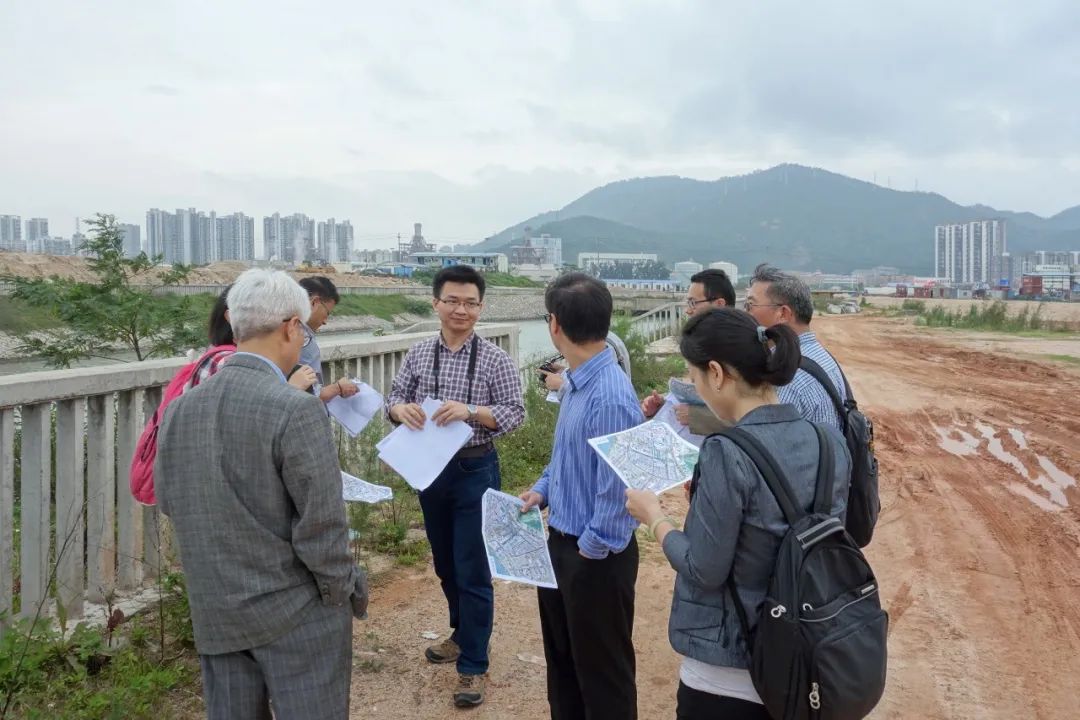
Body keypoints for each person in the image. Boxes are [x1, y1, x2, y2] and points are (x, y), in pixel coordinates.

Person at [155, 269, 368, 720]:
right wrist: (340, 591)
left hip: (216, 610)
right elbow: (322, 524)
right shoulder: (295, 408)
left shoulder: (178, 409)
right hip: (295, 612)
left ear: (235, 321)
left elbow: (172, 501)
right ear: (293, 327)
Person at [624, 308, 851, 720]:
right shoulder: (829, 440)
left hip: (730, 672)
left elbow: (704, 568)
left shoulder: (727, 452)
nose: (697, 389)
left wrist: (655, 517)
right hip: (806, 654)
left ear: (715, 373)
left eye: (693, 379)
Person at [385, 264, 525, 708]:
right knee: (445, 561)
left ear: (481, 308)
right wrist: (399, 412)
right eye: (452, 301)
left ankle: (473, 666)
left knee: (473, 569)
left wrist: (472, 411)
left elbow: (514, 413)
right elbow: (393, 399)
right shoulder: (419, 353)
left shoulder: (495, 359)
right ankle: (461, 634)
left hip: (474, 471)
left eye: (469, 302)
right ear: (436, 304)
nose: (460, 309)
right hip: (430, 471)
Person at [520, 273, 644, 720]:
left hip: (594, 557)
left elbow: (618, 493)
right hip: (563, 543)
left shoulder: (609, 395)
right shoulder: (575, 381)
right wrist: (541, 490)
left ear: (554, 324)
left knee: (602, 673)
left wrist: (587, 553)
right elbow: (567, 457)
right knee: (564, 662)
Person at [744, 264, 845, 430]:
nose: (746, 314)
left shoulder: (787, 376)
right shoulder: (820, 356)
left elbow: (769, 446)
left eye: (750, 305)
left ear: (783, 313)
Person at [640, 268, 736, 435]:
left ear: (720, 304)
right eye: (687, 303)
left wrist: (697, 417)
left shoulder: (742, 349)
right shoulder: (700, 344)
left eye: (693, 303)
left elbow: (751, 416)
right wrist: (665, 405)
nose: (687, 310)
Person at [297, 275, 359, 403]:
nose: (325, 321)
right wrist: (338, 387)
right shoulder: (303, 340)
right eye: (327, 313)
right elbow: (311, 396)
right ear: (315, 302)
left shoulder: (276, 331)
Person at [537, 330, 632, 399]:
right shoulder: (605, 337)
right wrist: (565, 371)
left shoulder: (601, 346)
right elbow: (594, 376)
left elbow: (603, 394)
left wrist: (561, 386)